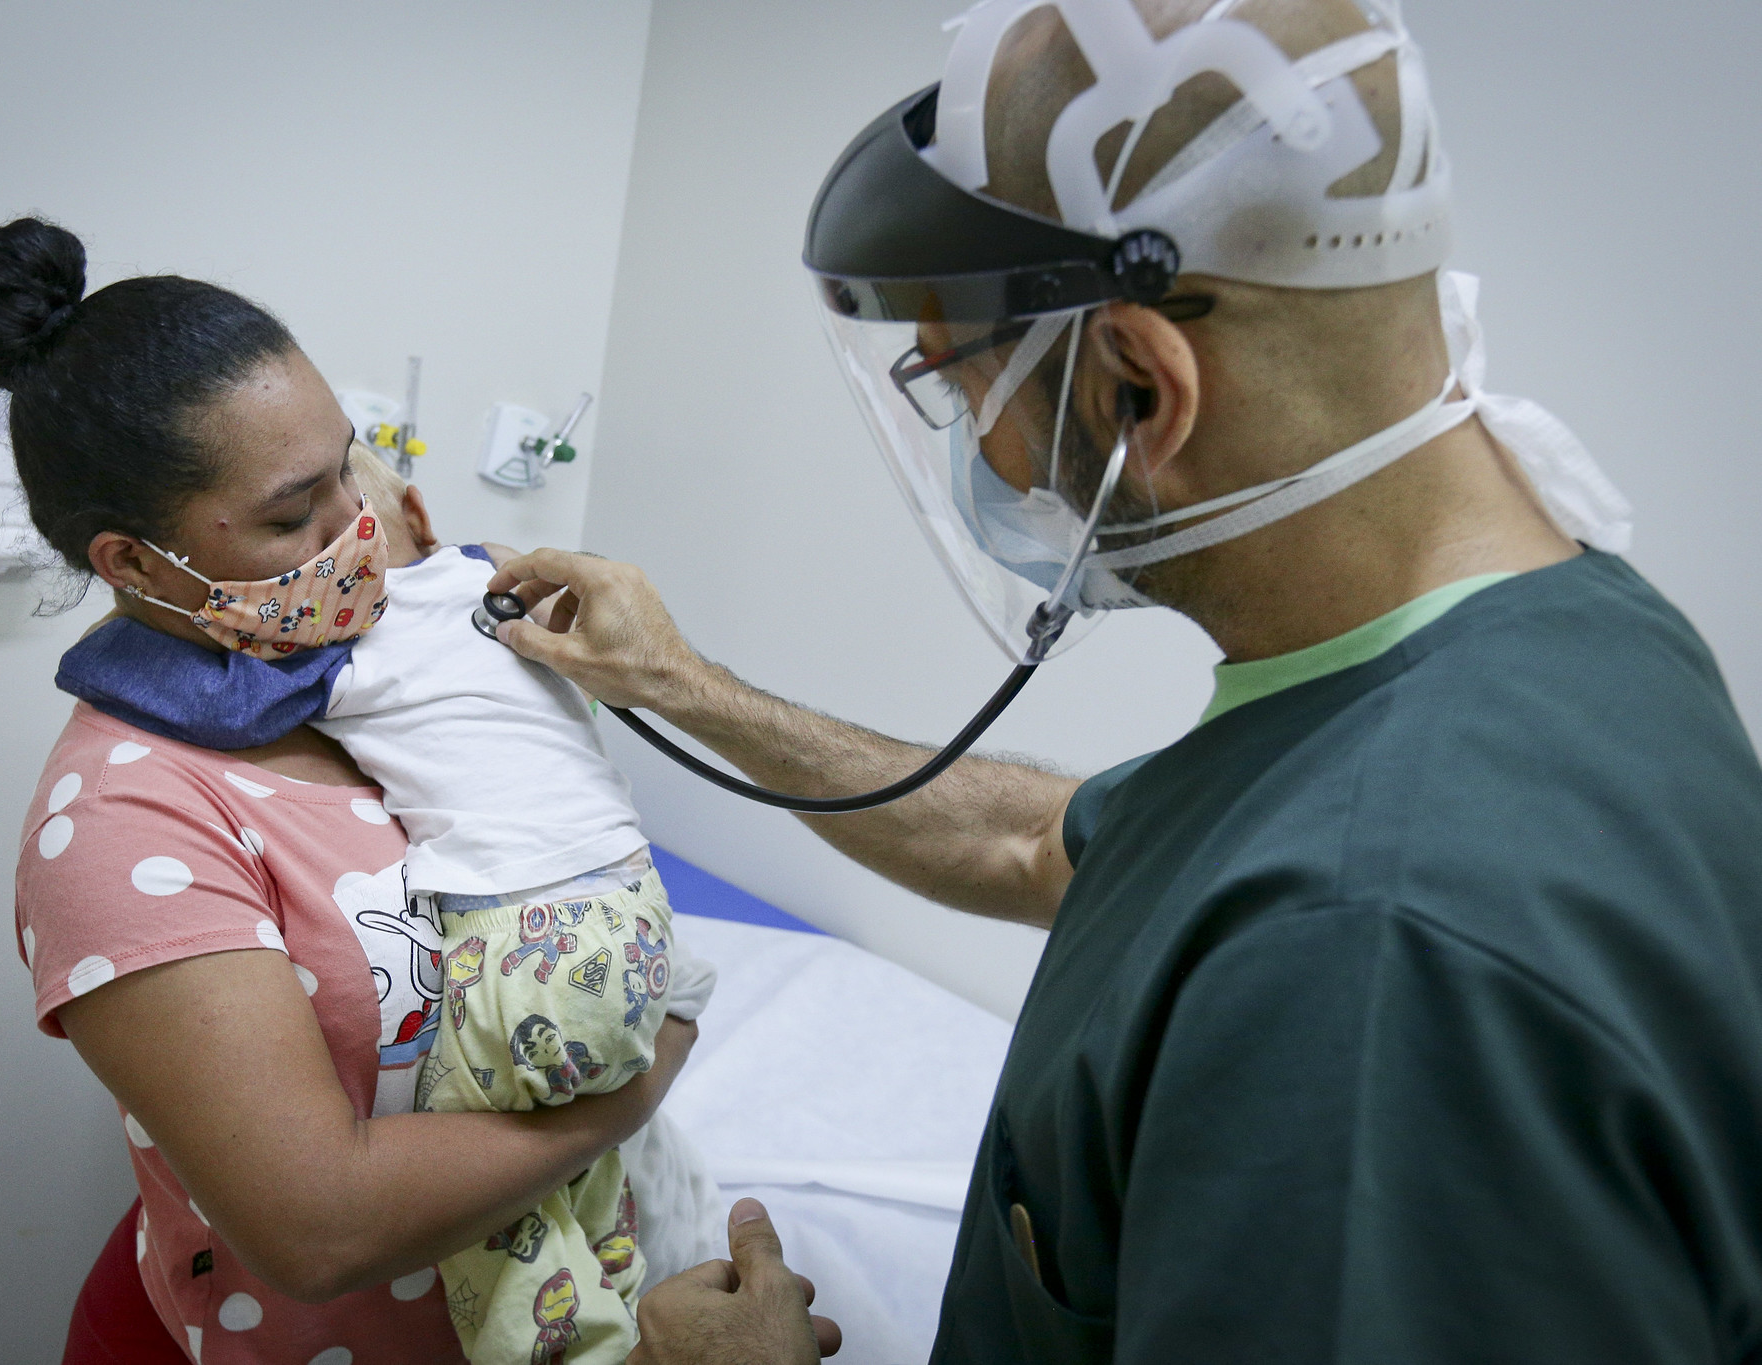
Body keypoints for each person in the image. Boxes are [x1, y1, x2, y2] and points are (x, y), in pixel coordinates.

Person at [495, 1, 1762, 1362]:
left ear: (1142, 391)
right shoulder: (1557, 633)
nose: (977, 445)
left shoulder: (1363, 961)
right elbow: (1036, 842)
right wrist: (682, 683)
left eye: (954, 380)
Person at [0, 217, 698, 1364]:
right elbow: (317, 1229)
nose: (355, 526)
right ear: (134, 562)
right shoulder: (123, 818)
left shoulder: (373, 671)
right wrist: (638, 1077)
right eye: (294, 514)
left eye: (351, 464)